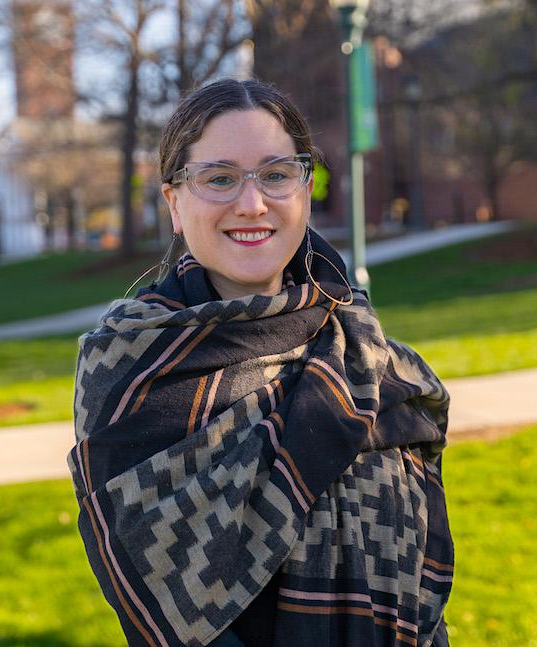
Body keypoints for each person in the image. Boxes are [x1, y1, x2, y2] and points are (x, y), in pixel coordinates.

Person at [69, 78, 453, 647]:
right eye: (219, 179)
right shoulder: (132, 367)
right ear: (175, 203)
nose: (252, 203)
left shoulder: (363, 351)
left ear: (305, 187)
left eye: (276, 174)